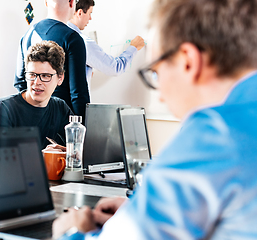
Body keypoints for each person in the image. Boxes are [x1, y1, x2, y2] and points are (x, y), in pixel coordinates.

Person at [52, 0, 257, 239]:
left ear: (188, 61)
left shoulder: (215, 135)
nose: (159, 97)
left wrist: (73, 231)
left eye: (156, 73)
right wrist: (140, 212)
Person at [0, 41, 73, 149]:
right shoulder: (2, 108)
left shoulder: (60, 108)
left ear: (60, 78)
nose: (37, 82)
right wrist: (42, 157)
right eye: (32, 75)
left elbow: (77, 148)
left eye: (45, 76)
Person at [14, 0, 88, 121]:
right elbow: (78, 94)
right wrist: (82, 129)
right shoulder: (72, 39)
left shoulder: (28, 35)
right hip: (61, 123)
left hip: (30, 120)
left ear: (46, 3)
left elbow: (19, 81)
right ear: (71, 2)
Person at [67, 0, 145, 90]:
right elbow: (115, 68)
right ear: (80, 13)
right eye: (89, 13)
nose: (90, 18)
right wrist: (133, 47)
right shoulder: (83, 42)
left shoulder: (60, 35)